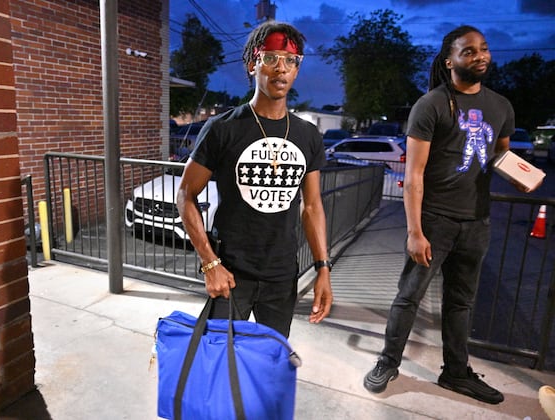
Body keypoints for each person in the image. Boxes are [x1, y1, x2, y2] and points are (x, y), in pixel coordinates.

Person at [363, 25, 541, 404]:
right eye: (469, 51)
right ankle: (388, 362)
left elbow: (501, 155)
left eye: (484, 49)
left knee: (462, 302)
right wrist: (415, 231)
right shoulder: (431, 105)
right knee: (409, 296)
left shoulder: (501, 106)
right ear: (450, 61)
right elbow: (413, 173)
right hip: (434, 220)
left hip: (477, 221)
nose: (480, 56)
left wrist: (522, 176)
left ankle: (456, 373)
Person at [176, 21, 333, 338]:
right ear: (252, 64)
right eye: (271, 58)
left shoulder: (308, 135)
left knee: (269, 364)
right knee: (218, 359)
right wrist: (210, 264)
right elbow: (185, 196)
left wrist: (322, 269)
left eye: (291, 61)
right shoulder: (223, 128)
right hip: (231, 271)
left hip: (281, 274)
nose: (282, 68)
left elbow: (313, 206)